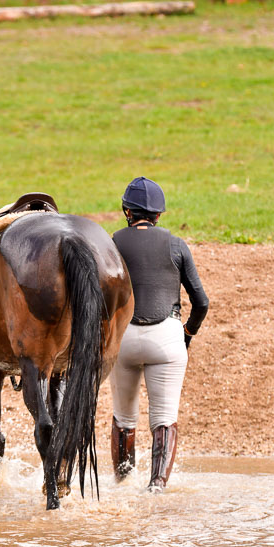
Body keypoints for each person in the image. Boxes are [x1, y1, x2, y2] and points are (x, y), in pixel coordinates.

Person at [110, 176, 209, 492]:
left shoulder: (111, 242)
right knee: (164, 419)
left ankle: (123, 485)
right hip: (166, 337)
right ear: (159, 214)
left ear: (127, 211)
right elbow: (201, 303)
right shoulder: (176, 245)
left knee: (124, 419)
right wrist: (187, 334)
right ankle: (156, 488)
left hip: (122, 340)